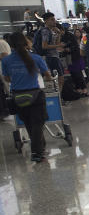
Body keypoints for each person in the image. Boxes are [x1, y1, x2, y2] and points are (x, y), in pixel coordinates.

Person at [2, 32, 53, 161]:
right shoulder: (35, 58)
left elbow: (7, 79)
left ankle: (40, 150)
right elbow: (47, 75)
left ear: (11, 44)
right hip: (35, 95)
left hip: (18, 97)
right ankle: (36, 153)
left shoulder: (6, 60)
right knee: (37, 123)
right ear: (25, 42)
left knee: (29, 124)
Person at [39, 12, 65, 79]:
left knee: (60, 77)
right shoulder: (45, 31)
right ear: (46, 21)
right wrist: (58, 46)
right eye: (52, 19)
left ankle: (59, 89)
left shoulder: (51, 31)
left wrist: (58, 34)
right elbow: (44, 46)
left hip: (54, 56)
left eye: (54, 19)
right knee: (59, 77)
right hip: (50, 57)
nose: (54, 21)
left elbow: (56, 44)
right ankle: (58, 89)